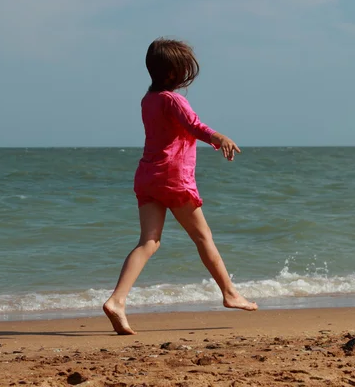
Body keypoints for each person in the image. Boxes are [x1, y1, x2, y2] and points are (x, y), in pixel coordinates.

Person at [103, 37, 258, 335]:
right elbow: (194, 126)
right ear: (173, 74)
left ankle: (117, 300)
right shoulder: (174, 100)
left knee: (148, 241)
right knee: (203, 237)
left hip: (147, 175)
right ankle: (229, 293)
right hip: (174, 177)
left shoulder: (148, 99)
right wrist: (219, 137)